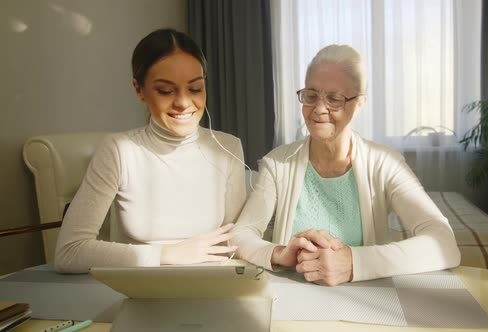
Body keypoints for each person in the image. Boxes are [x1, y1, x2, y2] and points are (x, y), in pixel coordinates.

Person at [233, 44, 460, 286]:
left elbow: (444, 243)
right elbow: (240, 235)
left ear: (359, 104)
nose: (319, 109)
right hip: (291, 295)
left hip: (368, 299)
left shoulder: (386, 163)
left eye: (334, 99)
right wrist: (279, 253)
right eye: (311, 95)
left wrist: (352, 262)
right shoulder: (277, 164)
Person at [54, 28, 247, 273]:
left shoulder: (228, 148)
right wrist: (168, 254)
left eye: (195, 88)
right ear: (139, 89)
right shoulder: (119, 150)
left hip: (208, 284)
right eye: (166, 91)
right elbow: (69, 252)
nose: (183, 102)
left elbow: (236, 241)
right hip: (137, 289)